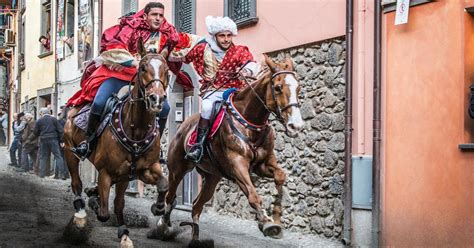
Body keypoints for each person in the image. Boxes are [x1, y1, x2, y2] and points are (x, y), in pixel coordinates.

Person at [67, 2, 185, 159]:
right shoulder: (131, 28)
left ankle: (156, 146)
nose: (158, 18)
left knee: (165, 109)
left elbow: (178, 49)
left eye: (161, 15)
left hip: (146, 81)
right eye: (154, 15)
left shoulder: (167, 34)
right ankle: (88, 142)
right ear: (145, 16)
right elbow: (115, 48)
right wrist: (134, 63)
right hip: (120, 75)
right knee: (99, 102)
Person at [174, 16, 260, 163]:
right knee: (207, 108)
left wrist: (246, 71)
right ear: (215, 36)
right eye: (222, 36)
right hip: (213, 91)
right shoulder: (202, 49)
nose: (226, 39)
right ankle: (198, 145)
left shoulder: (239, 51)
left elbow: (249, 63)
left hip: (235, 91)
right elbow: (183, 55)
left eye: (229, 36)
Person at [33, 107, 67, 179]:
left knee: (43, 157)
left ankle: (42, 174)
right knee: (58, 156)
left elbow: (35, 132)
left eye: (40, 113)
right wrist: (62, 141)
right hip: (53, 139)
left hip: (43, 140)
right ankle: (62, 175)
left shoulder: (39, 121)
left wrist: (41, 134)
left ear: (42, 113)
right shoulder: (54, 119)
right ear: (48, 112)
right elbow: (60, 130)